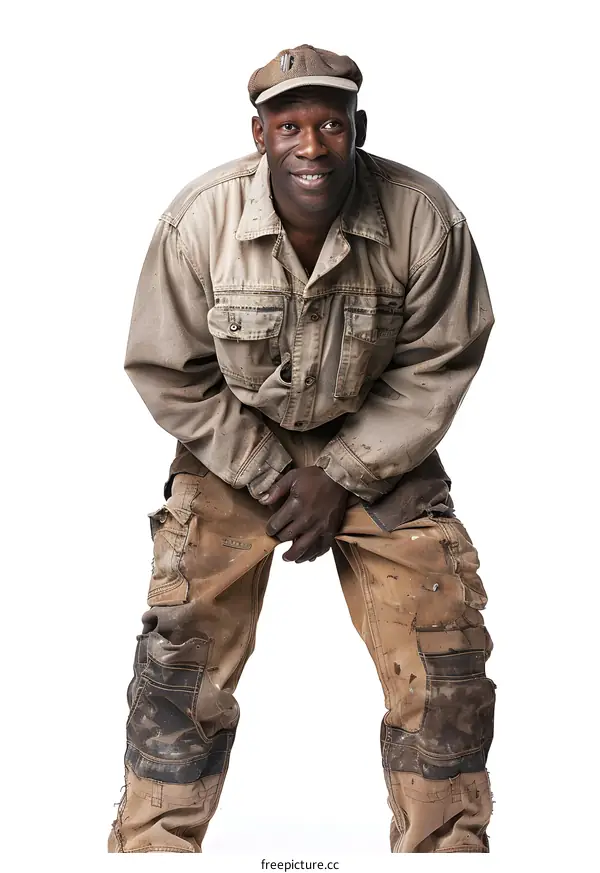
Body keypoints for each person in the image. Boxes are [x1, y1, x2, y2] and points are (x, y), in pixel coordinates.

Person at [108, 44, 496, 854]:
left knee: (445, 644)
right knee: (180, 647)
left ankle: (448, 853)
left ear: (359, 129)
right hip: (233, 449)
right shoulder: (199, 221)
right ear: (260, 134)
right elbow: (167, 369)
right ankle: (151, 852)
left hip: (382, 443)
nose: (311, 145)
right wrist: (280, 474)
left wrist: (343, 473)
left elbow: (439, 363)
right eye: (291, 125)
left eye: (331, 124)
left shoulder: (424, 217)